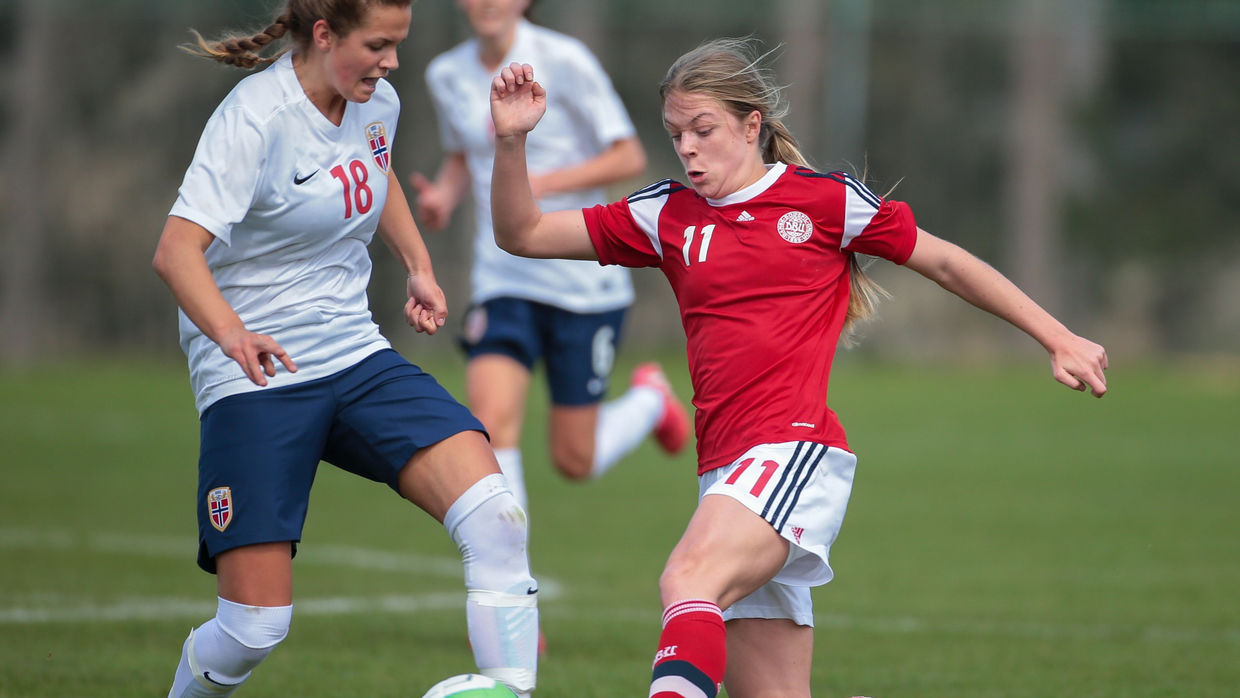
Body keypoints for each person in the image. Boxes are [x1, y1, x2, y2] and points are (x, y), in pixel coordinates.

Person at [487, 38, 1109, 698]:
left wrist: (1057, 335)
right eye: (677, 135)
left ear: (751, 125)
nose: (689, 149)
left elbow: (947, 262)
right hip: (723, 470)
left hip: (793, 452)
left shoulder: (822, 202)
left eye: (705, 130)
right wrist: (510, 143)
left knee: (687, 578)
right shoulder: (664, 214)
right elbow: (521, 233)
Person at [152, 2, 537, 696]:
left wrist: (417, 262)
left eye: (398, 44)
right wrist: (232, 333)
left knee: (497, 520)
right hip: (257, 374)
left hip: (353, 353)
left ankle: (512, 691)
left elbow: (374, 171)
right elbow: (177, 251)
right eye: (378, 45)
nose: (392, 62)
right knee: (251, 629)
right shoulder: (255, 118)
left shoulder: (375, 101)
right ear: (324, 36)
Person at [409, 0, 690, 527]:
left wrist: (540, 185)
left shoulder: (565, 59)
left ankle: (650, 401)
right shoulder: (445, 73)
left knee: (574, 461)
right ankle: (511, 578)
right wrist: (444, 197)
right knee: (490, 425)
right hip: (503, 277)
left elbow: (627, 156)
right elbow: (466, 154)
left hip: (583, 282)